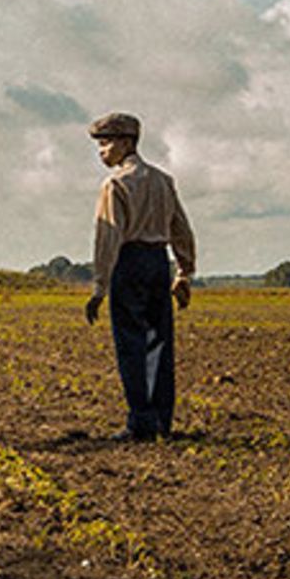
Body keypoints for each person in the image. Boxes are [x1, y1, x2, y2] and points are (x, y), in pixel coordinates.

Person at [82, 112, 196, 441]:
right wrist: (184, 271)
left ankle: (141, 422)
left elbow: (109, 237)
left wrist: (100, 285)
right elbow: (181, 228)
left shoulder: (115, 184)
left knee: (131, 343)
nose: (101, 151)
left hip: (128, 263)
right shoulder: (163, 181)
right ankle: (162, 419)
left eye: (106, 143)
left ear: (127, 143)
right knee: (159, 342)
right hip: (158, 262)